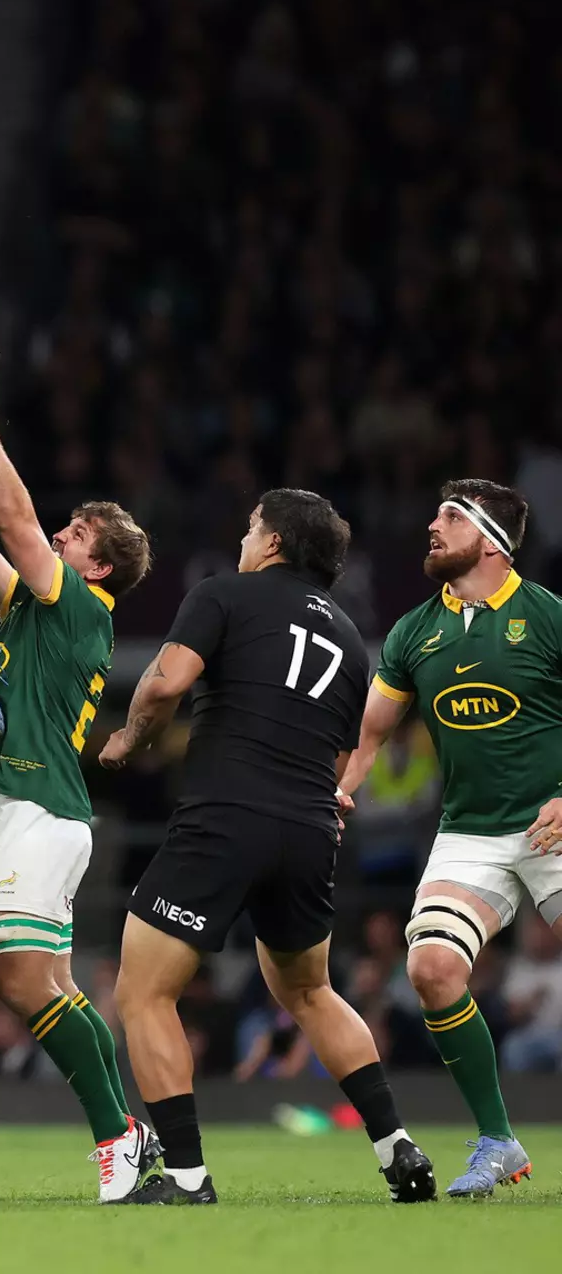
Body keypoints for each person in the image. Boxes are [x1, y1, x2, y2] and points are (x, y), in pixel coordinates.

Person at [98, 491, 434, 1205]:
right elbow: (346, 751)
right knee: (310, 990)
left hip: (226, 816)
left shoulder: (223, 593)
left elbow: (169, 682)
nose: (245, 539)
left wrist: (130, 738)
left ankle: (187, 1178)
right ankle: (397, 1149)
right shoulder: (349, 637)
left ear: (274, 540)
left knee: (143, 991)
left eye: (251, 527)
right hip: (312, 827)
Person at [0, 350, 158, 1200]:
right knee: (41, 984)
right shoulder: (38, 612)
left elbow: (11, 518)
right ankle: (126, 1134)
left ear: (98, 568)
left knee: (22, 982)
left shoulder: (81, 606)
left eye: (77, 537)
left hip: (39, 807)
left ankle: (120, 1134)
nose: (59, 538)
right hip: (16, 806)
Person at [338, 479, 561, 1197]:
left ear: (490, 539)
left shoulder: (547, 616)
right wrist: (340, 790)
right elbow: (373, 732)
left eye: (450, 517)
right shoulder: (413, 631)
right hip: (470, 831)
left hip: (553, 821)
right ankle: (498, 1141)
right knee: (432, 968)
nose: (431, 526)